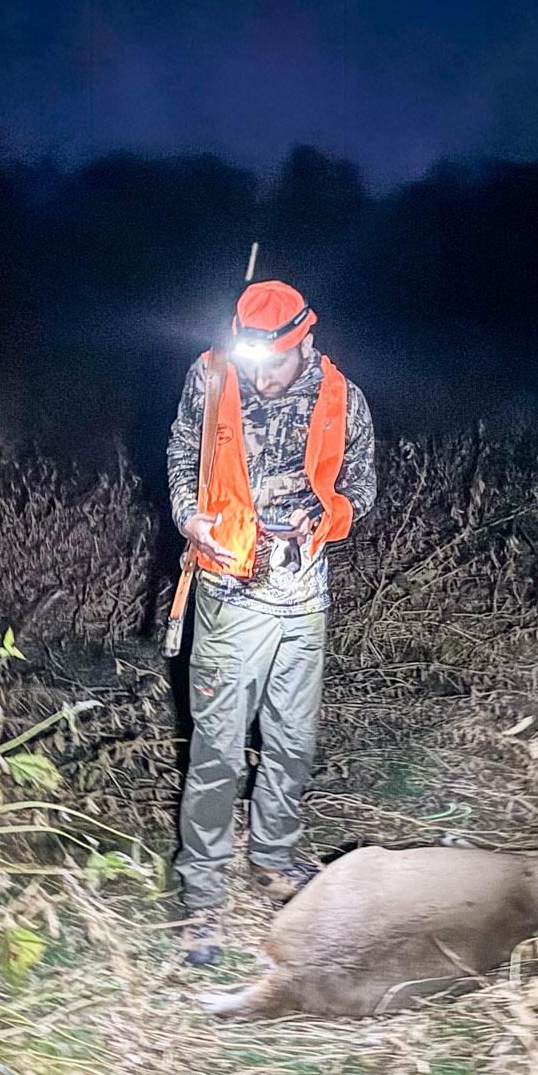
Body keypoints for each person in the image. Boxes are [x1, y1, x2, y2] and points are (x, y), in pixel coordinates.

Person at [167, 279, 376, 964]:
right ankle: (200, 898)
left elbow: (361, 487)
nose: (260, 377)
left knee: (293, 737)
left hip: (304, 589)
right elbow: (180, 455)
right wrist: (187, 517)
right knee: (218, 750)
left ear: (305, 343)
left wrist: (332, 514)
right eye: (251, 362)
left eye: (275, 364)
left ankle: (275, 857)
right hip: (229, 588)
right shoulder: (210, 376)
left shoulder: (343, 396)